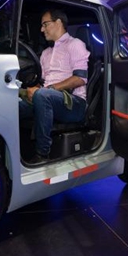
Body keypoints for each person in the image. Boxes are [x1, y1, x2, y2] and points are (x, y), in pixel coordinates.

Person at [19, 9, 89, 164]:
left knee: (43, 95)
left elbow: (80, 78)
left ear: (58, 23)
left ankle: (42, 154)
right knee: (13, 104)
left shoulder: (76, 45)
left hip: (74, 103)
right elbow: (42, 81)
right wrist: (32, 89)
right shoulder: (45, 53)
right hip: (47, 98)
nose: (42, 29)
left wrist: (48, 90)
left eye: (45, 24)